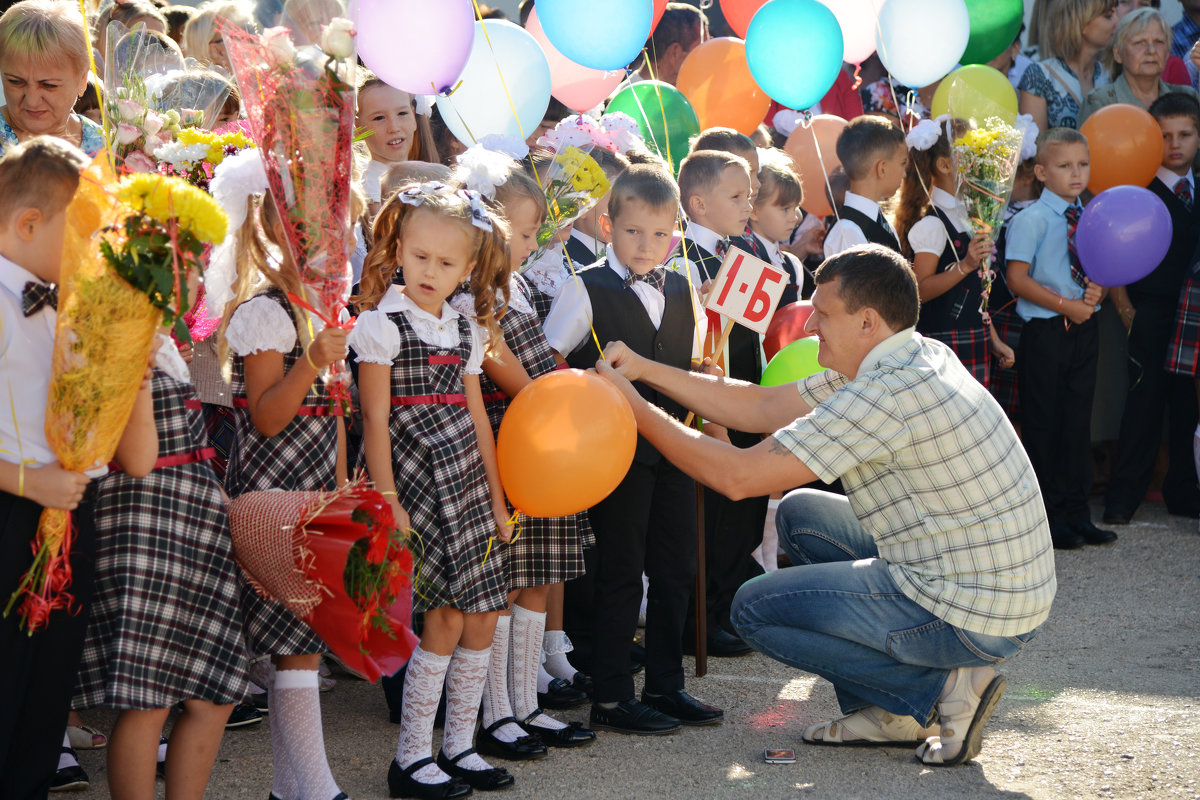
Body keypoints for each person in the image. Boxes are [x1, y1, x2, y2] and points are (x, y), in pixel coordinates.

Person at [591, 244, 1055, 766]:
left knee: (754, 608)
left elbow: (738, 476)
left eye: (823, 313)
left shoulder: (881, 394)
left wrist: (634, 408)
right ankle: (887, 714)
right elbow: (761, 405)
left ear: (866, 321)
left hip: (976, 612)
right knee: (802, 516)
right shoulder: (907, 353)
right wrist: (644, 370)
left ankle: (934, 692)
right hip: (998, 588)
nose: (809, 324)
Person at [0, 137, 158, 798]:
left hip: (69, 515)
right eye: (84, 235)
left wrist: (132, 359)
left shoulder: (71, 303)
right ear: (28, 224)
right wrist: (24, 480)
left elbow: (141, 459)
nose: (95, 253)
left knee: (46, 689)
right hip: (13, 505)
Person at [351, 182, 517, 798]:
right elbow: (373, 420)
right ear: (399, 247)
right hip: (418, 485)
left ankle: (460, 746)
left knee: (483, 615)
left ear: (469, 268)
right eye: (419, 256)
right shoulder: (381, 325)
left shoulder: (466, 328)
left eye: (447, 263)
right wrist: (388, 502)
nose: (430, 271)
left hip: (468, 483)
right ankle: (412, 756)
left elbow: (478, 418)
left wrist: (498, 503)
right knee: (443, 616)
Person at [544, 164, 720, 735]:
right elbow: (548, 360)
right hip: (615, 448)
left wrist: (703, 370)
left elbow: (682, 360)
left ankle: (666, 684)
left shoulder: (682, 284)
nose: (647, 246)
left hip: (676, 443)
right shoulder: (585, 285)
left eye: (660, 234)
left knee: (674, 568)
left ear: (677, 232)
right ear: (607, 225)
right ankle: (613, 693)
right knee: (620, 570)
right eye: (633, 232)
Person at [448, 154, 597, 750]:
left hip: (542, 445)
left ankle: (527, 702)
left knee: (537, 577)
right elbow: (512, 376)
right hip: (513, 446)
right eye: (527, 233)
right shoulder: (475, 302)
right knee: (507, 583)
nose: (535, 243)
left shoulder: (517, 290)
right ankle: (498, 711)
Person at [216, 159, 351, 800]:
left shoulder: (324, 307)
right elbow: (268, 418)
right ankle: (317, 788)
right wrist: (314, 363)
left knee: (304, 638)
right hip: (276, 494)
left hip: (317, 487)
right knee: (295, 644)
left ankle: (289, 788)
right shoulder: (266, 312)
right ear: (272, 227)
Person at [73, 325, 247, 798]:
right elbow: (125, 449)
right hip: (144, 517)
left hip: (195, 515)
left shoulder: (159, 333)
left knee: (216, 691)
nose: (190, 274)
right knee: (148, 696)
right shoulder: (115, 328)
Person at [670, 147, 764, 658]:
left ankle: (725, 606)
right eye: (736, 196)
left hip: (748, 394)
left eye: (748, 195)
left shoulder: (742, 255)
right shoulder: (683, 260)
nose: (747, 205)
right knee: (710, 517)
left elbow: (755, 331)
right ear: (699, 203)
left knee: (744, 513)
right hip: (711, 398)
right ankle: (698, 618)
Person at [1005, 127, 1116, 550]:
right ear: (1041, 172)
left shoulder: (1092, 215)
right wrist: (1065, 305)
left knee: (1076, 422)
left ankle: (1077, 512)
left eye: (1082, 164)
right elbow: (1017, 279)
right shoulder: (1030, 219)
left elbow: (1100, 265)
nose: (1076, 173)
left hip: (1085, 329)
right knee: (1044, 424)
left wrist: (1096, 290)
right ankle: (1046, 520)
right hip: (1047, 332)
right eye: (1064, 165)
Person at [1106, 92, 1200, 524]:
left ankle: (1184, 490)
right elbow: (1114, 249)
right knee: (1144, 401)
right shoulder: (1140, 186)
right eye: (1165, 136)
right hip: (1150, 306)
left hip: (1193, 311)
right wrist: (1125, 306)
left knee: (1188, 404)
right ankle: (1122, 499)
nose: (1176, 144)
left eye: (1186, 134)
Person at [895, 117, 1013, 387]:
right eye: (970, 153)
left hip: (975, 338)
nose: (980, 161)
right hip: (944, 344)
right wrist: (967, 265)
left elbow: (978, 291)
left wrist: (993, 339)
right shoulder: (934, 223)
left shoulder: (972, 216)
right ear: (944, 164)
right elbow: (920, 290)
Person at [0, 0, 104, 156]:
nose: (32, 101)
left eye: (49, 85)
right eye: (15, 82)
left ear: (82, 81)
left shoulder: (105, 146)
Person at [1080, 8, 1197, 124]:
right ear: (1118, 54)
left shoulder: (1187, 97)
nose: (1151, 50)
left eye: (1159, 42)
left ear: (1167, 53)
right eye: (1139, 43)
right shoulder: (1100, 102)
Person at [1019, 0, 1117, 130]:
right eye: (1108, 16)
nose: (1117, 22)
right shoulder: (1040, 76)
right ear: (1082, 23)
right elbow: (1034, 146)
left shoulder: (1111, 74)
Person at [823, 115, 907, 258]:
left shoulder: (879, 220)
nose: (904, 174)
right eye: (902, 163)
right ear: (882, 168)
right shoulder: (849, 232)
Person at [356, 71, 439, 210]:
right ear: (359, 128)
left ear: (413, 118)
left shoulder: (425, 177)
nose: (393, 128)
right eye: (379, 118)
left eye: (402, 113)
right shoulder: (372, 188)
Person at [748, 158, 806, 308]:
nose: (794, 218)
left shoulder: (792, 264)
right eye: (785, 209)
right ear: (754, 211)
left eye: (795, 208)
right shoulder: (744, 262)